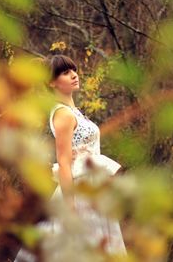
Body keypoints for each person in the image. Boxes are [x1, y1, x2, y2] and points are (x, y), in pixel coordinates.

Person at [14, 54, 126, 262]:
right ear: (51, 82)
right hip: (78, 189)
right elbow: (64, 162)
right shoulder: (63, 114)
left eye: (73, 70)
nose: (74, 75)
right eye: (66, 73)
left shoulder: (75, 112)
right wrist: (70, 207)